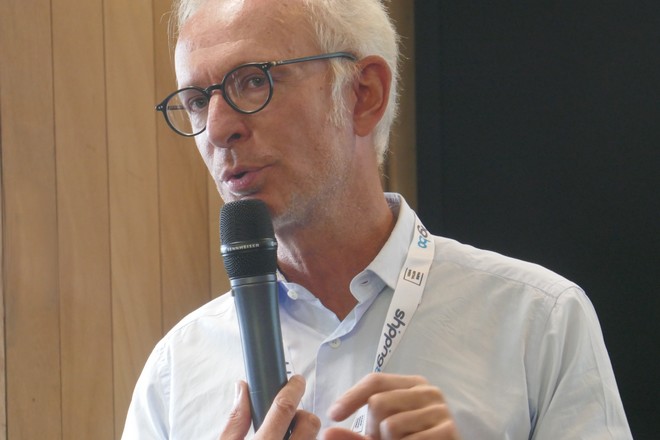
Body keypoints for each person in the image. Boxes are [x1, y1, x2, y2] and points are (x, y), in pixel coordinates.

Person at [123, 0, 632, 438]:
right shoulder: (177, 370)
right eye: (195, 101)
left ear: (363, 94)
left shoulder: (539, 321)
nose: (217, 128)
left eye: (253, 81)